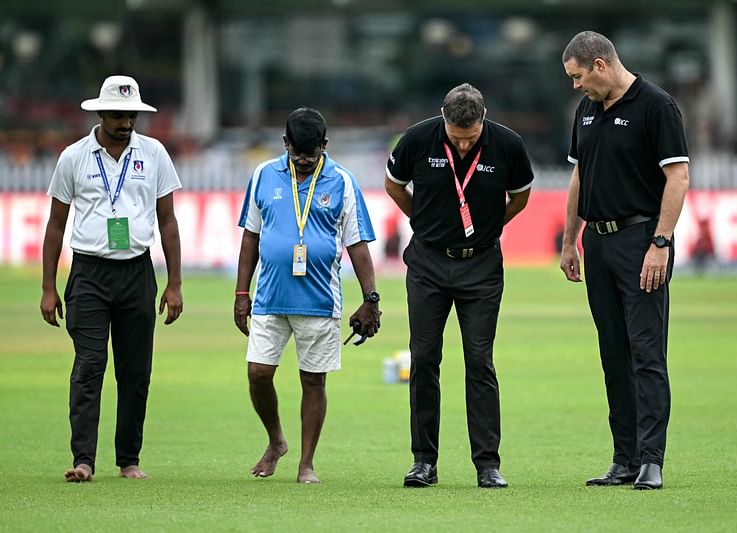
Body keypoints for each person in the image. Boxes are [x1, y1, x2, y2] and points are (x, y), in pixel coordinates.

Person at [385, 83, 533, 489]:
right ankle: (423, 462)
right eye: (456, 137)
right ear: (444, 119)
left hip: (482, 267)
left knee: (480, 361)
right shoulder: (417, 138)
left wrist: (487, 229)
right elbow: (393, 185)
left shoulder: (508, 144)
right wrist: (424, 223)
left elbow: (520, 197)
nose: (464, 145)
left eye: (471, 137)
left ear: (483, 119)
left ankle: (487, 465)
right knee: (425, 358)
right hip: (428, 262)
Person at [559, 31, 690, 490]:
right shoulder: (587, 110)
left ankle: (652, 460)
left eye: (577, 77)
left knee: (647, 353)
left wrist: (661, 242)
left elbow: (678, 176)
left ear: (599, 64)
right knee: (613, 354)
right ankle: (624, 459)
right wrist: (569, 238)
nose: (575, 86)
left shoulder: (657, 106)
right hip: (597, 243)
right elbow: (580, 174)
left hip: (640, 241)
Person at [40, 75, 184, 482]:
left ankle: (129, 459)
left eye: (132, 114)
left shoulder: (154, 154)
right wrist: (49, 287)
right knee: (89, 365)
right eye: (119, 115)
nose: (126, 122)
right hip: (89, 273)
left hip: (137, 271)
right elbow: (55, 226)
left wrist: (174, 283)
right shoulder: (73, 157)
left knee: (135, 371)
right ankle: (84, 459)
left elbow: (168, 221)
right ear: (100, 113)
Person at [234, 108, 381, 484]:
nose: (302, 162)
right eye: (296, 154)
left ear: (325, 147)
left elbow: (358, 243)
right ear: (285, 144)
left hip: (319, 299)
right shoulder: (264, 176)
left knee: (313, 381)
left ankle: (306, 463)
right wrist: (240, 292)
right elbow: (250, 236)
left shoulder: (343, 181)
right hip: (269, 295)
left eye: (310, 156)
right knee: (257, 374)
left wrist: (371, 298)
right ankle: (276, 440)